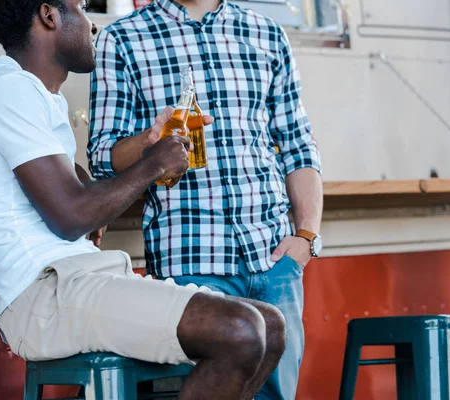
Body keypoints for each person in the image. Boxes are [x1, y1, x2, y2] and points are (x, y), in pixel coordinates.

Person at [0, 1, 286, 399]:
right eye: (81, 7)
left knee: (271, 327)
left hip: (81, 279)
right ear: (49, 15)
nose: (92, 26)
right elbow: (72, 217)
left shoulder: (28, 94)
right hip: (42, 293)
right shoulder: (9, 88)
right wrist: (152, 166)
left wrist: (81, 178)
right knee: (239, 331)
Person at [88, 0, 323, 398]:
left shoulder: (267, 33)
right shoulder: (122, 38)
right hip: (192, 263)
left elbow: (299, 148)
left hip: (276, 259)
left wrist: (306, 238)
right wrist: (150, 142)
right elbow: (102, 157)